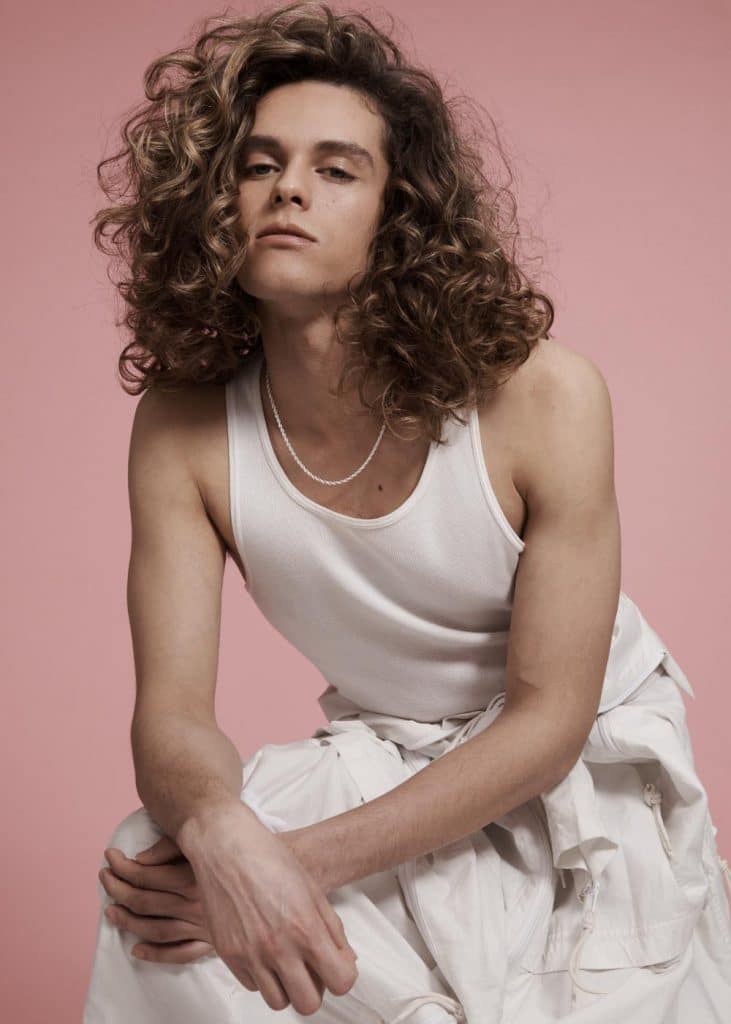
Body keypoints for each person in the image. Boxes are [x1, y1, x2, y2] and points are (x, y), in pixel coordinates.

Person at [82, 3, 731, 1021]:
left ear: (399, 216)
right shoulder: (182, 426)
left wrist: (283, 869)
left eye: (336, 169)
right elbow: (171, 715)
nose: (288, 188)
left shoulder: (543, 398)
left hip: (574, 779)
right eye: (257, 164)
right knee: (151, 864)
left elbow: (547, 723)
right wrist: (218, 834)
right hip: (382, 755)